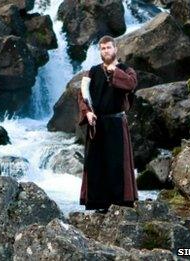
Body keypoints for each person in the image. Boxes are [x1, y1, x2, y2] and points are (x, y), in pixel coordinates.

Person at [77, 35, 139, 213]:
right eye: (103, 49)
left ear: (115, 49)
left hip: (116, 123)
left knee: (117, 164)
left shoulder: (126, 70)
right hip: (97, 123)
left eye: (109, 48)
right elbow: (82, 94)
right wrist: (87, 112)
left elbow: (131, 85)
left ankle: (121, 204)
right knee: (96, 164)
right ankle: (99, 204)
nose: (106, 51)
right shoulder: (93, 71)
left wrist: (114, 72)